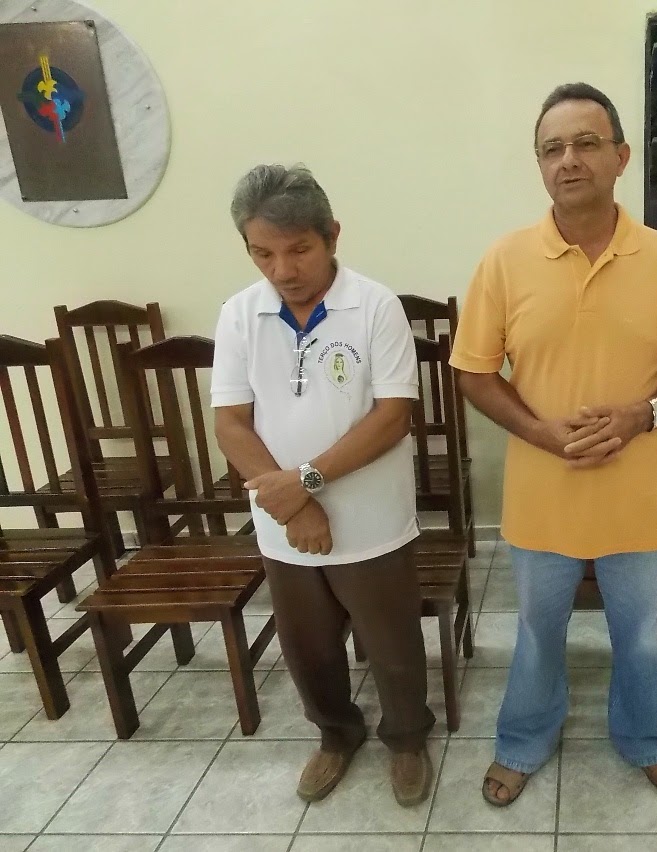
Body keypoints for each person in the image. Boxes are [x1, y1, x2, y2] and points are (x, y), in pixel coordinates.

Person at [450, 83, 657, 807]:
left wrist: (644, 415)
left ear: (621, 156)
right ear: (540, 164)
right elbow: (473, 373)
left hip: (639, 498)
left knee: (638, 636)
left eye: (585, 143)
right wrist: (539, 432)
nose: (568, 159)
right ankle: (523, 740)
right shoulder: (506, 261)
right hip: (543, 496)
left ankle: (648, 739)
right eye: (552, 148)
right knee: (538, 632)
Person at [211, 164, 434, 806]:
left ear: (333, 234)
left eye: (299, 249)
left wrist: (305, 482)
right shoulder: (239, 314)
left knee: (392, 645)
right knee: (307, 648)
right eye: (263, 253)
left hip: (372, 517)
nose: (282, 269)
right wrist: (292, 507)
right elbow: (230, 424)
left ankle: (407, 739)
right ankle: (336, 735)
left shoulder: (376, 306)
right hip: (283, 525)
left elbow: (392, 417)